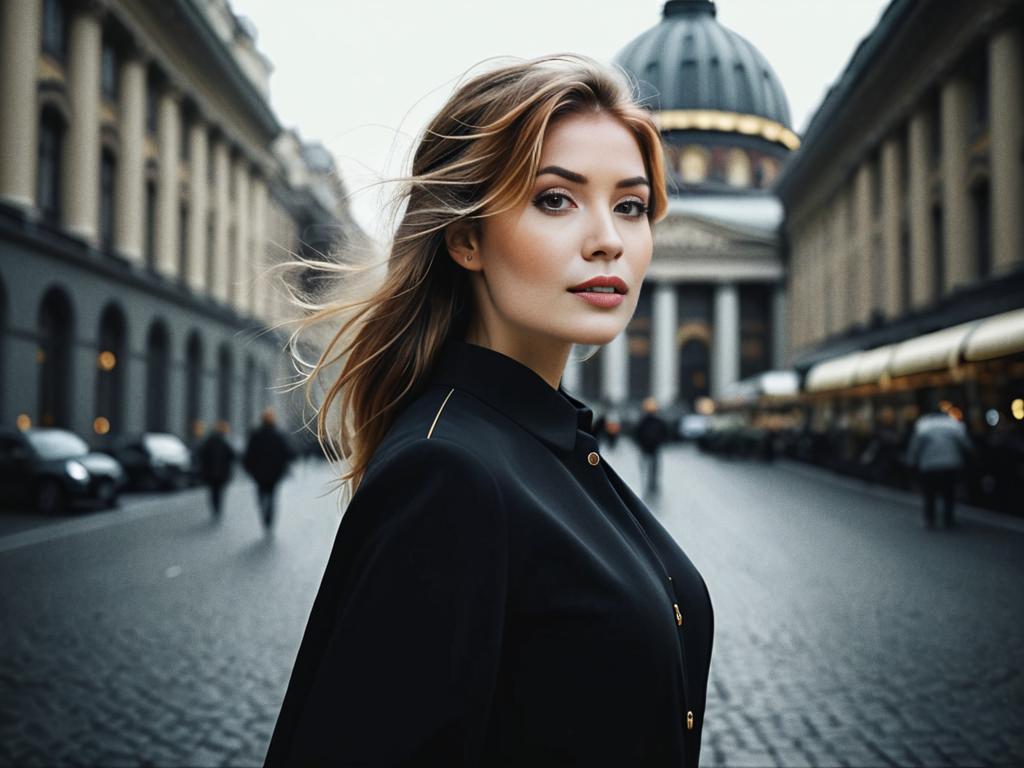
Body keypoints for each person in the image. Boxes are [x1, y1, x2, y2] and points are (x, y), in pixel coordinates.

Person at [264, 55, 714, 767]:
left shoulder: (547, 442)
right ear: (465, 238)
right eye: (556, 200)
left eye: (630, 205)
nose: (609, 239)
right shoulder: (449, 473)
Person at [907, 404, 974, 528]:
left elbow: (915, 446)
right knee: (949, 493)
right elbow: (966, 444)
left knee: (929, 494)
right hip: (950, 463)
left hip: (929, 465)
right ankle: (948, 520)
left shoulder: (923, 425)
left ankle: (930, 519)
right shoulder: (954, 424)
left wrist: (911, 461)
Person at [242, 408, 294, 532]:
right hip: (274, 473)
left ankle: (264, 511)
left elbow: (248, 454)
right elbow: (288, 453)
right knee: (272, 495)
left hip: (259, 473)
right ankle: (269, 518)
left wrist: (250, 469)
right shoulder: (279, 435)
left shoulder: (255, 435)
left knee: (261, 494)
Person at [196, 420, 235, 519]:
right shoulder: (224, 442)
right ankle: (218, 509)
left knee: (213, 492)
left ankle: (215, 509)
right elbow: (232, 456)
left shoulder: (208, 442)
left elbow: (201, 455)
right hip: (222, 473)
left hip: (210, 473)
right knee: (219, 492)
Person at [636, 396, 670, 495]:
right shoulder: (644, 421)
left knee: (653, 467)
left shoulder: (656, 421)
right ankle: (649, 483)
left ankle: (652, 483)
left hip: (653, 447)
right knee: (648, 466)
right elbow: (638, 432)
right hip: (647, 447)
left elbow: (664, 432)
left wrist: (660, 441)